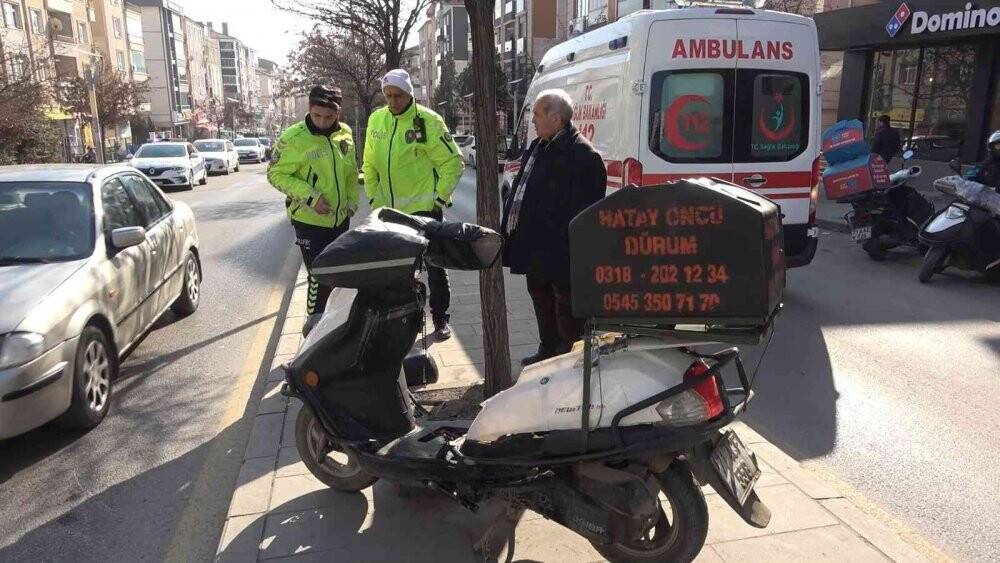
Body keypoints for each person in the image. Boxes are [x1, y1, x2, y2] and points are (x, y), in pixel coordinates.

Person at [500, 89, 607, 366]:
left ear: (556, 118)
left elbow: (587, 216)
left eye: (537, 114)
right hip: (536, 248)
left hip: (563, 253)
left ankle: (568, 359)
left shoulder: (584, 156)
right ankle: (547, 350)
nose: (532, 120)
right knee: (540, 300)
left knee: (566, 310)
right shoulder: (538, 147)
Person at [363, 69, 465, 340]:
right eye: (387, 96)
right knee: (397, 271)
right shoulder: (376, 120)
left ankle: (441, 319)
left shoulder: (428, 121)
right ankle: (401, 321)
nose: (393, 101)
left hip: (424, 211)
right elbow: (369, 165)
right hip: (389, 212)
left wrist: (439, 199)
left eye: (398, 95)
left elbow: (453, 162)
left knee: (435, 267)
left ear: (409, 94)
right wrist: (375, 199)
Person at [268, 85, 360, 334]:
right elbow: (275, 174)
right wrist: (311, 197)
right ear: (309, 109)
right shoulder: (293, 138)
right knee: (319, 274)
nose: (322, 121)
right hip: (309, 221)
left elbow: (350, 172)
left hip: (340, 219)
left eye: (329, 117)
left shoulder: (345, 134)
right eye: (317, 115)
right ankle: (314, 323)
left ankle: (335, 320)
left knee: (338, 272)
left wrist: (352, 202)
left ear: (338, 113)